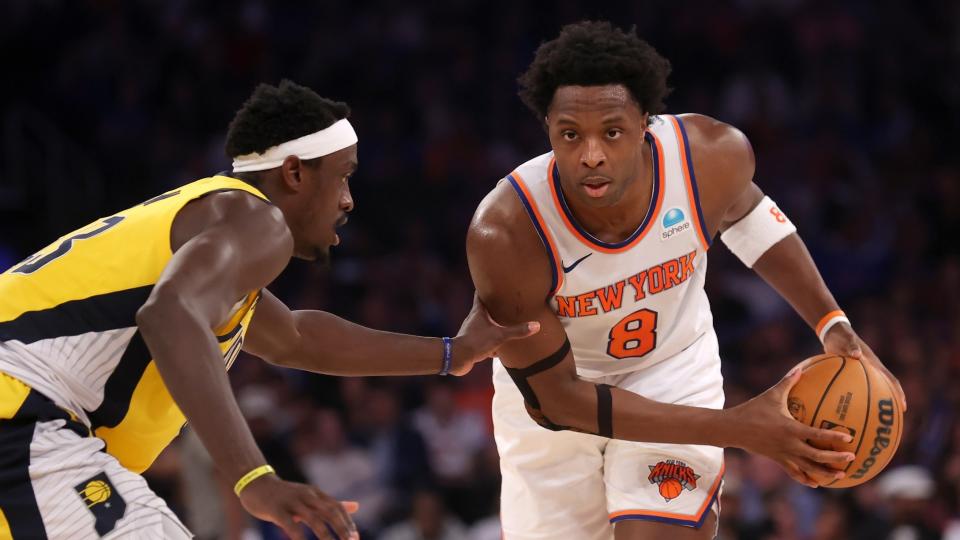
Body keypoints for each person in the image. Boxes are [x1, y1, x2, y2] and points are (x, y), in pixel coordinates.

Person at [0, 80, 538, 540]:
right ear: (295, 174)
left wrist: (454, 354)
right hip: (23, 415)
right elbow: (171, 315)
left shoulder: (210, 238)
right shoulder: (253, 217)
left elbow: (299, 339)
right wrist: (251, 478)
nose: (349, 199)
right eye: (343, 176)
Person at [466, 21, 906, 540]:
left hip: (670, 365)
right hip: (557, 398)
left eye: (611, 131)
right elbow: (559, 401)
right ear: (547, 129)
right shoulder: (507, 231)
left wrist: (832, 323)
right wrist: (739, 428)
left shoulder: (709, 156)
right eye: (570, 134)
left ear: (645, 122)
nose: (591, 155)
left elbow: (747, 215)